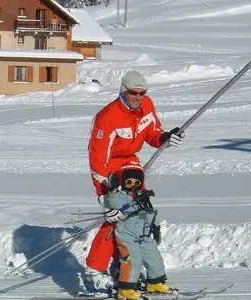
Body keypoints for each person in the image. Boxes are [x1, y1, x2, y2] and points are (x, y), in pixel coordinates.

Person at [81, 71, 185, 295]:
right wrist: (105, 196)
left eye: (141, 93)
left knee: (139, 215)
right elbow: (97, 160)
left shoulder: (147, 105)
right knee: (115, 217)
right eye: (133, 93)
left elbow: (152, 133)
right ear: (123, 91)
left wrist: (166, 137)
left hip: (132, 168)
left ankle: (125, 268)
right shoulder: (107, 117)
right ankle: (94, 271)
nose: (138, 97)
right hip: (109, 170)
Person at [104, 164, 173, 300]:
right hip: (126, 234)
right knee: (132, 260)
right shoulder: (122, 196)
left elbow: (147, 214)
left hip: (144, 234)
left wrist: (153, 228)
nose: (133, 185)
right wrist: (112, 192)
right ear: (124, 182)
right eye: (129, 182)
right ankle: (126, 289)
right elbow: (112, 204)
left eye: (137, 182)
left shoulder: (142, 195)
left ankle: (155, 282)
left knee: (154, 257)